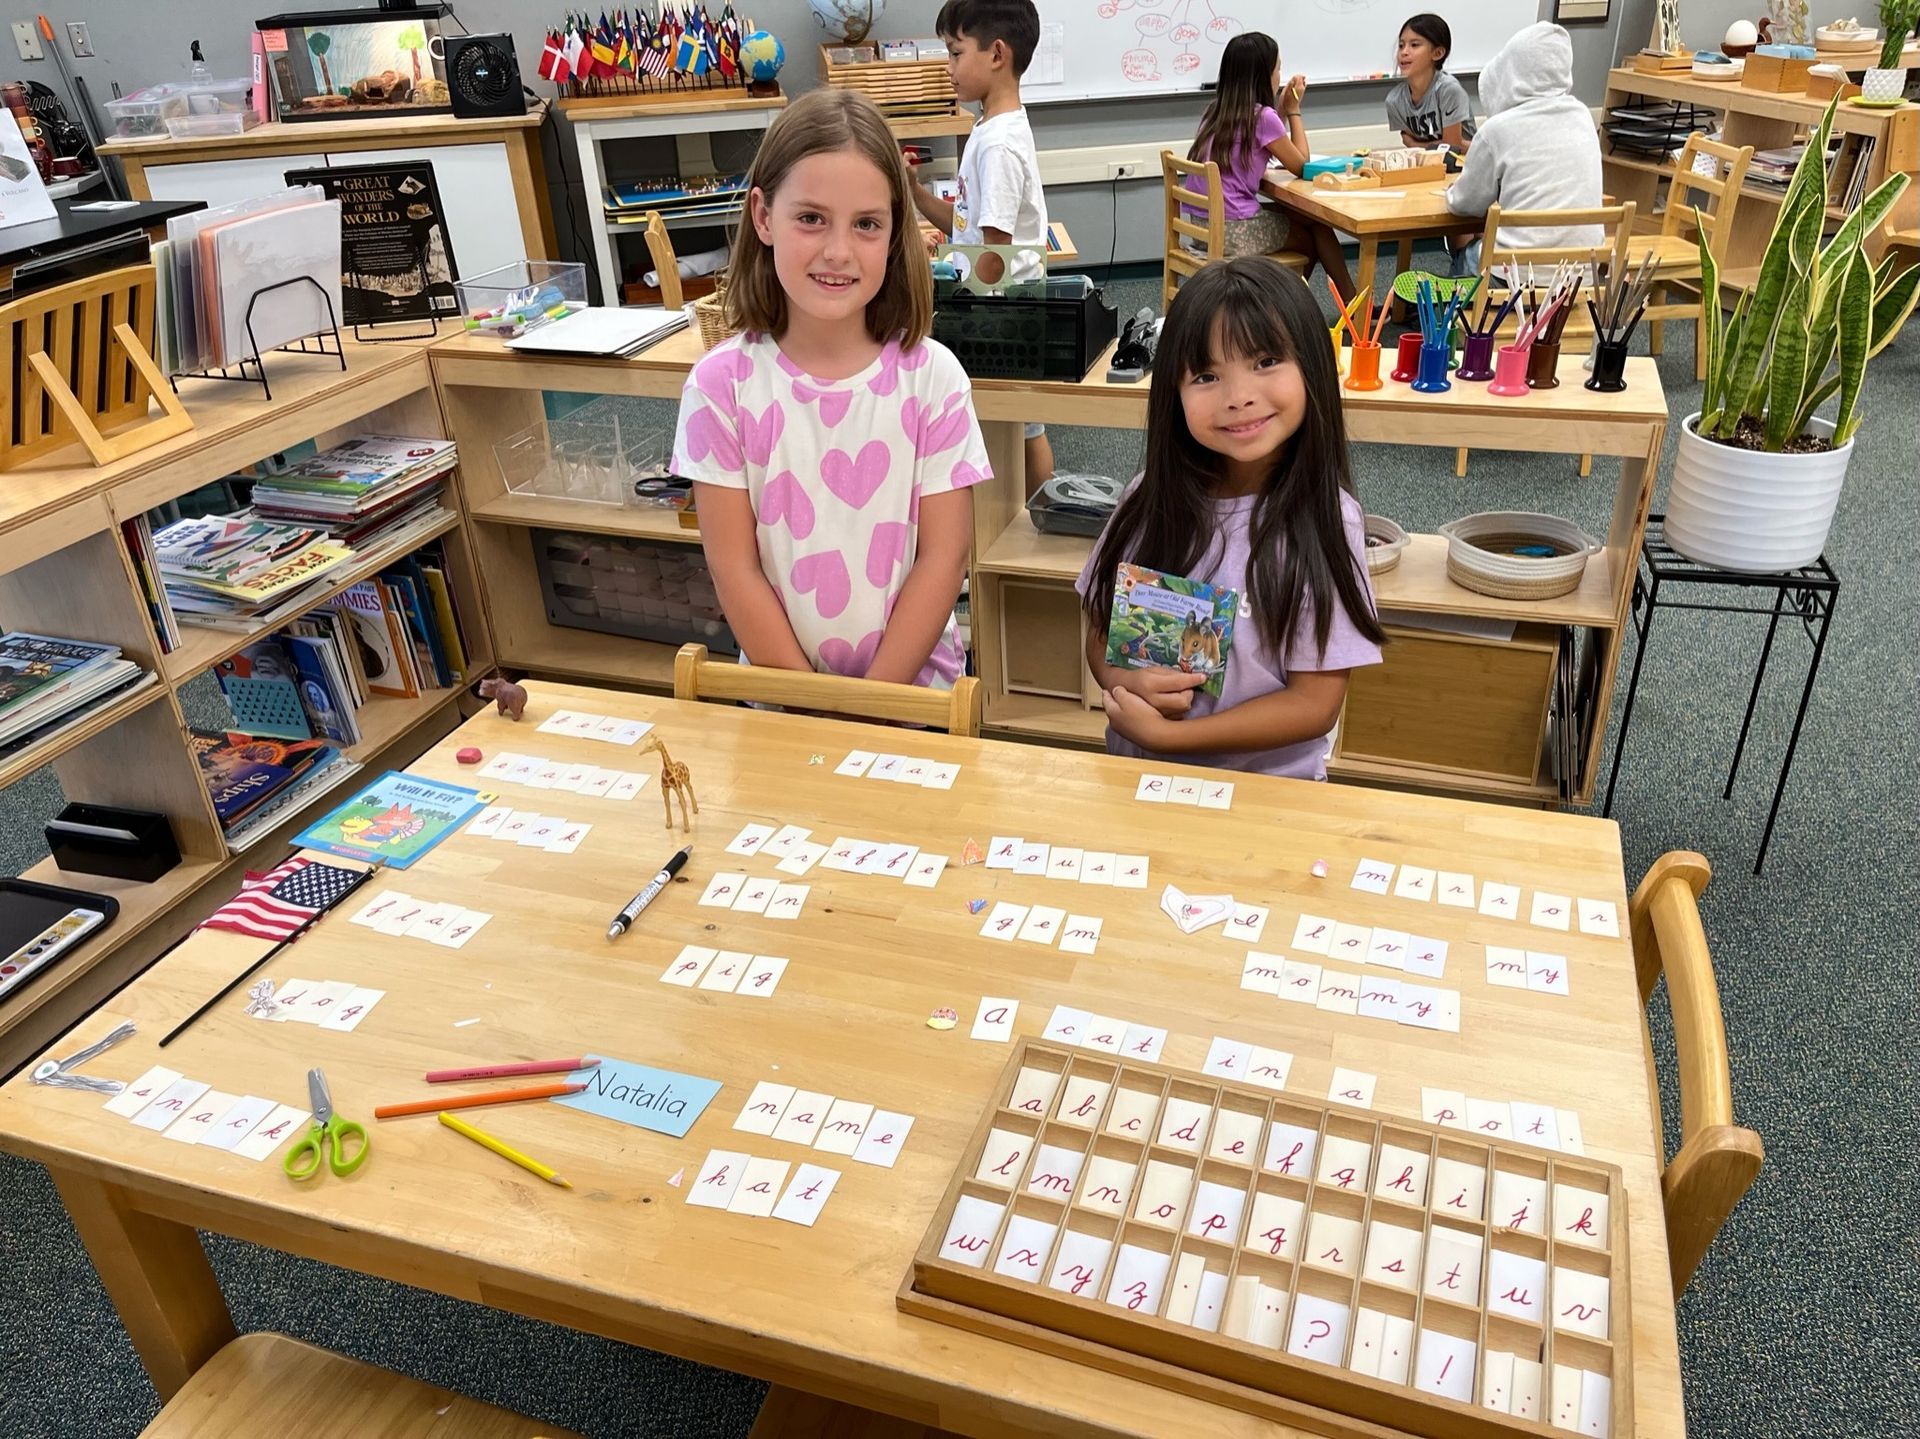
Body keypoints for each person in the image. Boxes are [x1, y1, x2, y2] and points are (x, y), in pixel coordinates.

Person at [672, 89, 989, 689]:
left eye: (867, 224)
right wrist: (811, 706)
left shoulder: (934, 380)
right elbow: (734, 567)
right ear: (763, 217)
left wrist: (870, 705)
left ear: (896, 233)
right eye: (811, 218)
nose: (838, 251)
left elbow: (943, 561)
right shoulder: (720, 386)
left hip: (916, 701)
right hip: (779, 700)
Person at [1076, 258, 1385, 780]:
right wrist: (1120, 679)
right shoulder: (1149, 498)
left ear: (1313, 366)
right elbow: (1101, 630)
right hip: (1141, 782)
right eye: (1206, 375)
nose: (1237, 396)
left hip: (1266, 795)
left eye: (1265, 361)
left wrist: (1175, 737)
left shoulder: (1328, 521)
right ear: (1173, 394)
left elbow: (1315, 704)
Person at [909, 0, 1055, 493]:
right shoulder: (992, 128)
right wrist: (918, 196)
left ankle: (1039, 513)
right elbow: (972, 226)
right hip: (1004, 300)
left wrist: (943, 282)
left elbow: (994, 258)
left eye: (954, 53)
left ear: (996, 53)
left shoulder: (997, 145)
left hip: (1005, 309)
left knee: (1019, 424)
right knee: (1021, 423)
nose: (947, 67)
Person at [1189, 31, 1357, 303]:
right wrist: (1293, 110)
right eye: (1278, 68)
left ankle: (1336, 301)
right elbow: (1302, 165)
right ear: (1264, 75)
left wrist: (1278, 110)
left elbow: (1262, 139)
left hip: (1204, 225)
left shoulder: (1215, 111)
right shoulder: (1263, 117)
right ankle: (1292, 306)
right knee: (1314, 234)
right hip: (1234, 229)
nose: (1280, 75)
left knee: (1309, 221)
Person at [1444, 22, 1602, 253]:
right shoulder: (1582, 117)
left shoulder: (1497, 129)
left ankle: (1464, 285)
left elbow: (1464, 204)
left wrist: (1453, 190)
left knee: (1464, 249)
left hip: (1513, 276)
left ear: (1508, 71)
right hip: (1580, 275)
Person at [1387, 14, 1476, 152]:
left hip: (1464, 165)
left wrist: (1416, 145)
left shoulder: (1449, 90)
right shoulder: (1394, 100)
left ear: (1438, 53)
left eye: (1414, 45)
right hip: (1429, 166)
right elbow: (1407, 141)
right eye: (1401, 45)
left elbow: (1452, 147)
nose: (1404, 52)